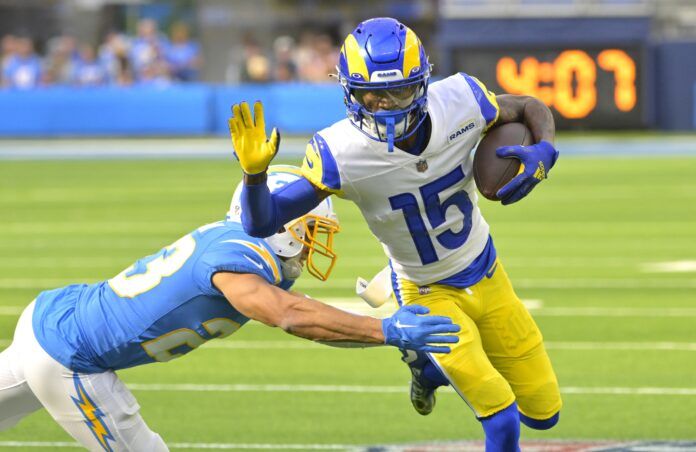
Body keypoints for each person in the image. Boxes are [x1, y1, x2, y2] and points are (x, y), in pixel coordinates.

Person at [230, 17, 562, 452]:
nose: (384, 107)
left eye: (398, 92)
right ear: (349, 91)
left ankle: (426, 367)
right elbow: (261, 223)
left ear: (423, 83)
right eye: (371, 95)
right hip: (425, 290)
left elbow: (530, 107)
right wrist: (254, 177)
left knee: (544, 414)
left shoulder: (461, 99)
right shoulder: (341, 153)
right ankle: (431, 359)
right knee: (500, 420)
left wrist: (546, 150)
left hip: (487, 270)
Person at [0, 166, 459, 451]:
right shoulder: (239, 259)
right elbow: (288, 314)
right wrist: (384, 331)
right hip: (71, 358)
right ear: (280, 228)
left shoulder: (233, 240)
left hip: (53, 318)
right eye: (311, 230)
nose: (313, 245)